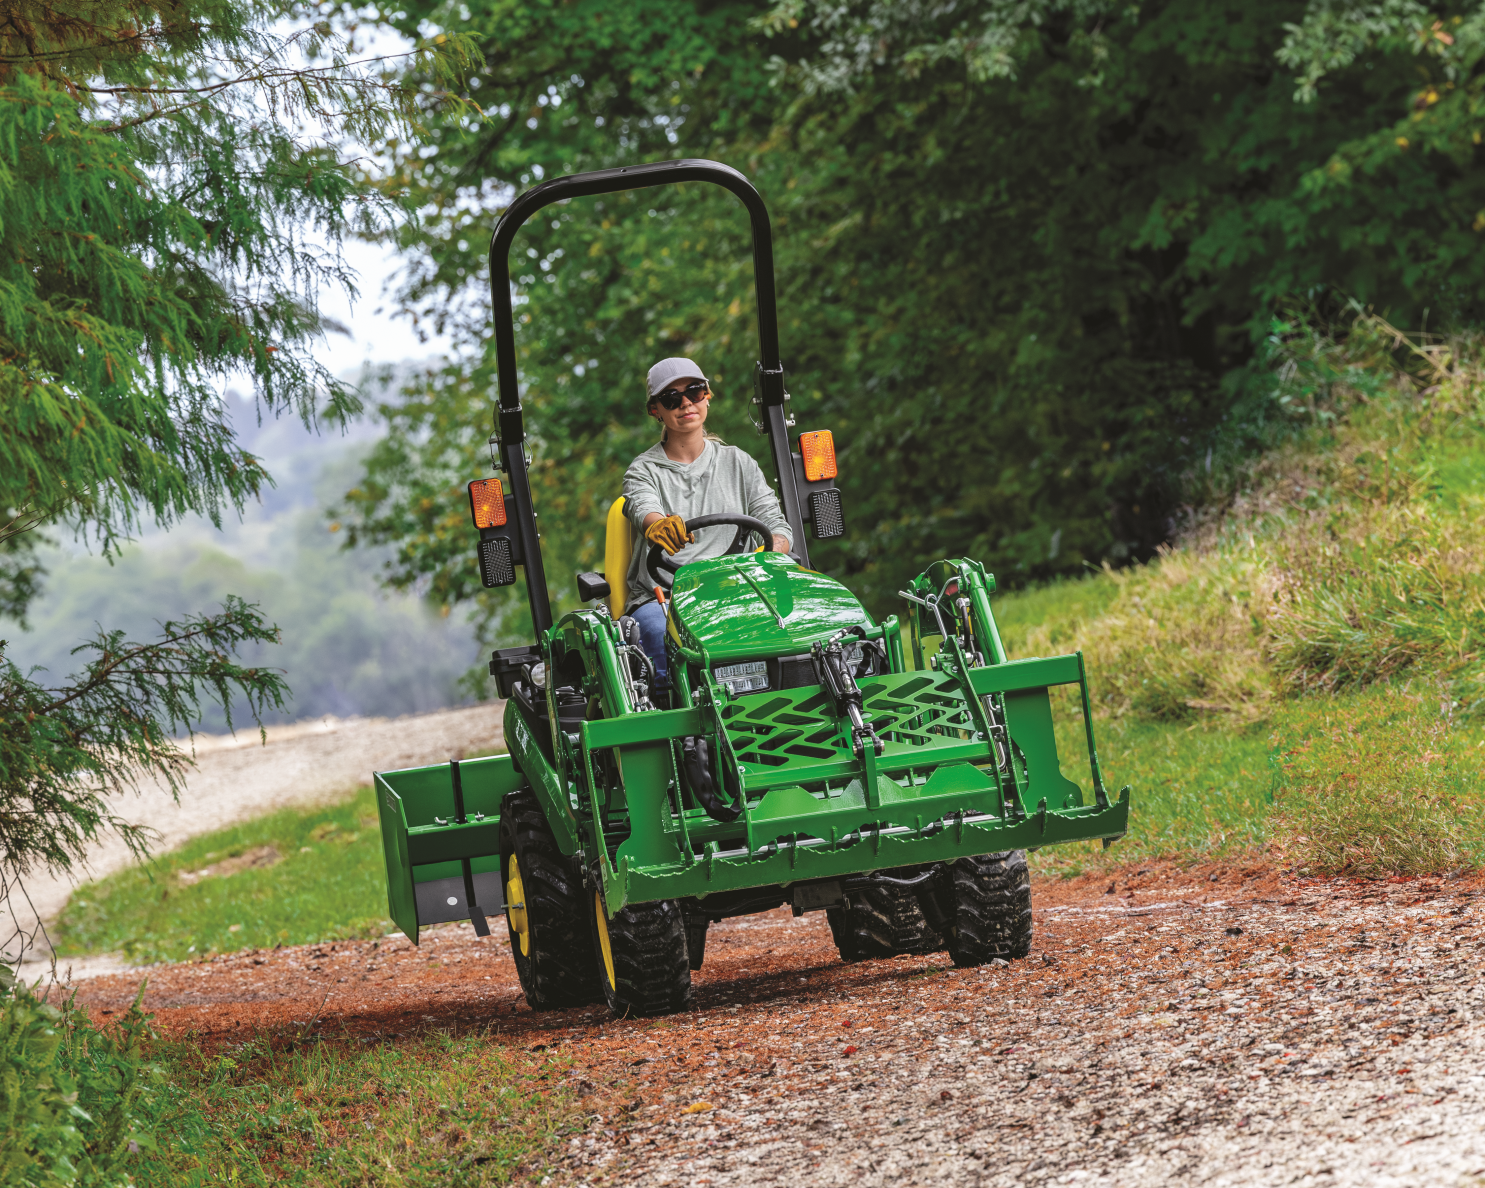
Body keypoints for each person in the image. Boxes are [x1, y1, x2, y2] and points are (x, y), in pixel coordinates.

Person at [622, 357, 792, 689]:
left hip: (738, 588)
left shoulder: (738, 462)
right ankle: (673, 724)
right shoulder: (643, 470)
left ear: (707, 395)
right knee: (658, 635)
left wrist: (771, 551)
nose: (685, 403)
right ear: (655, 410)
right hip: (666, 596)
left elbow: (776, 524)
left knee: (793, 627)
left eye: (694, 392)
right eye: (671, 398)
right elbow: (642, 505)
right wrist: (657, 524)